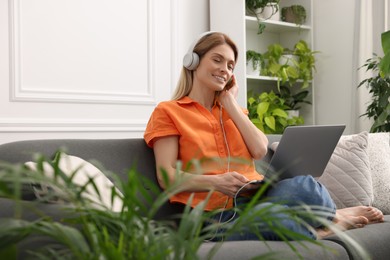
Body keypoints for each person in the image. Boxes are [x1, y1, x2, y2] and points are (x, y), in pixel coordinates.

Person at [143, 31, 384, 241]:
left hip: (255, 199)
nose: (224, 70)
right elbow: (167, 177)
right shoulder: (168, 112)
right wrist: (216, 182)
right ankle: (328, 225)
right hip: (208, 215)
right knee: (276, 220)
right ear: (193, 62)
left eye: (230, 65)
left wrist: (230, 104)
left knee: (307, 186)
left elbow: (259, 149)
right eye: (217, 60)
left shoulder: (234, 112)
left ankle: (329, 214)